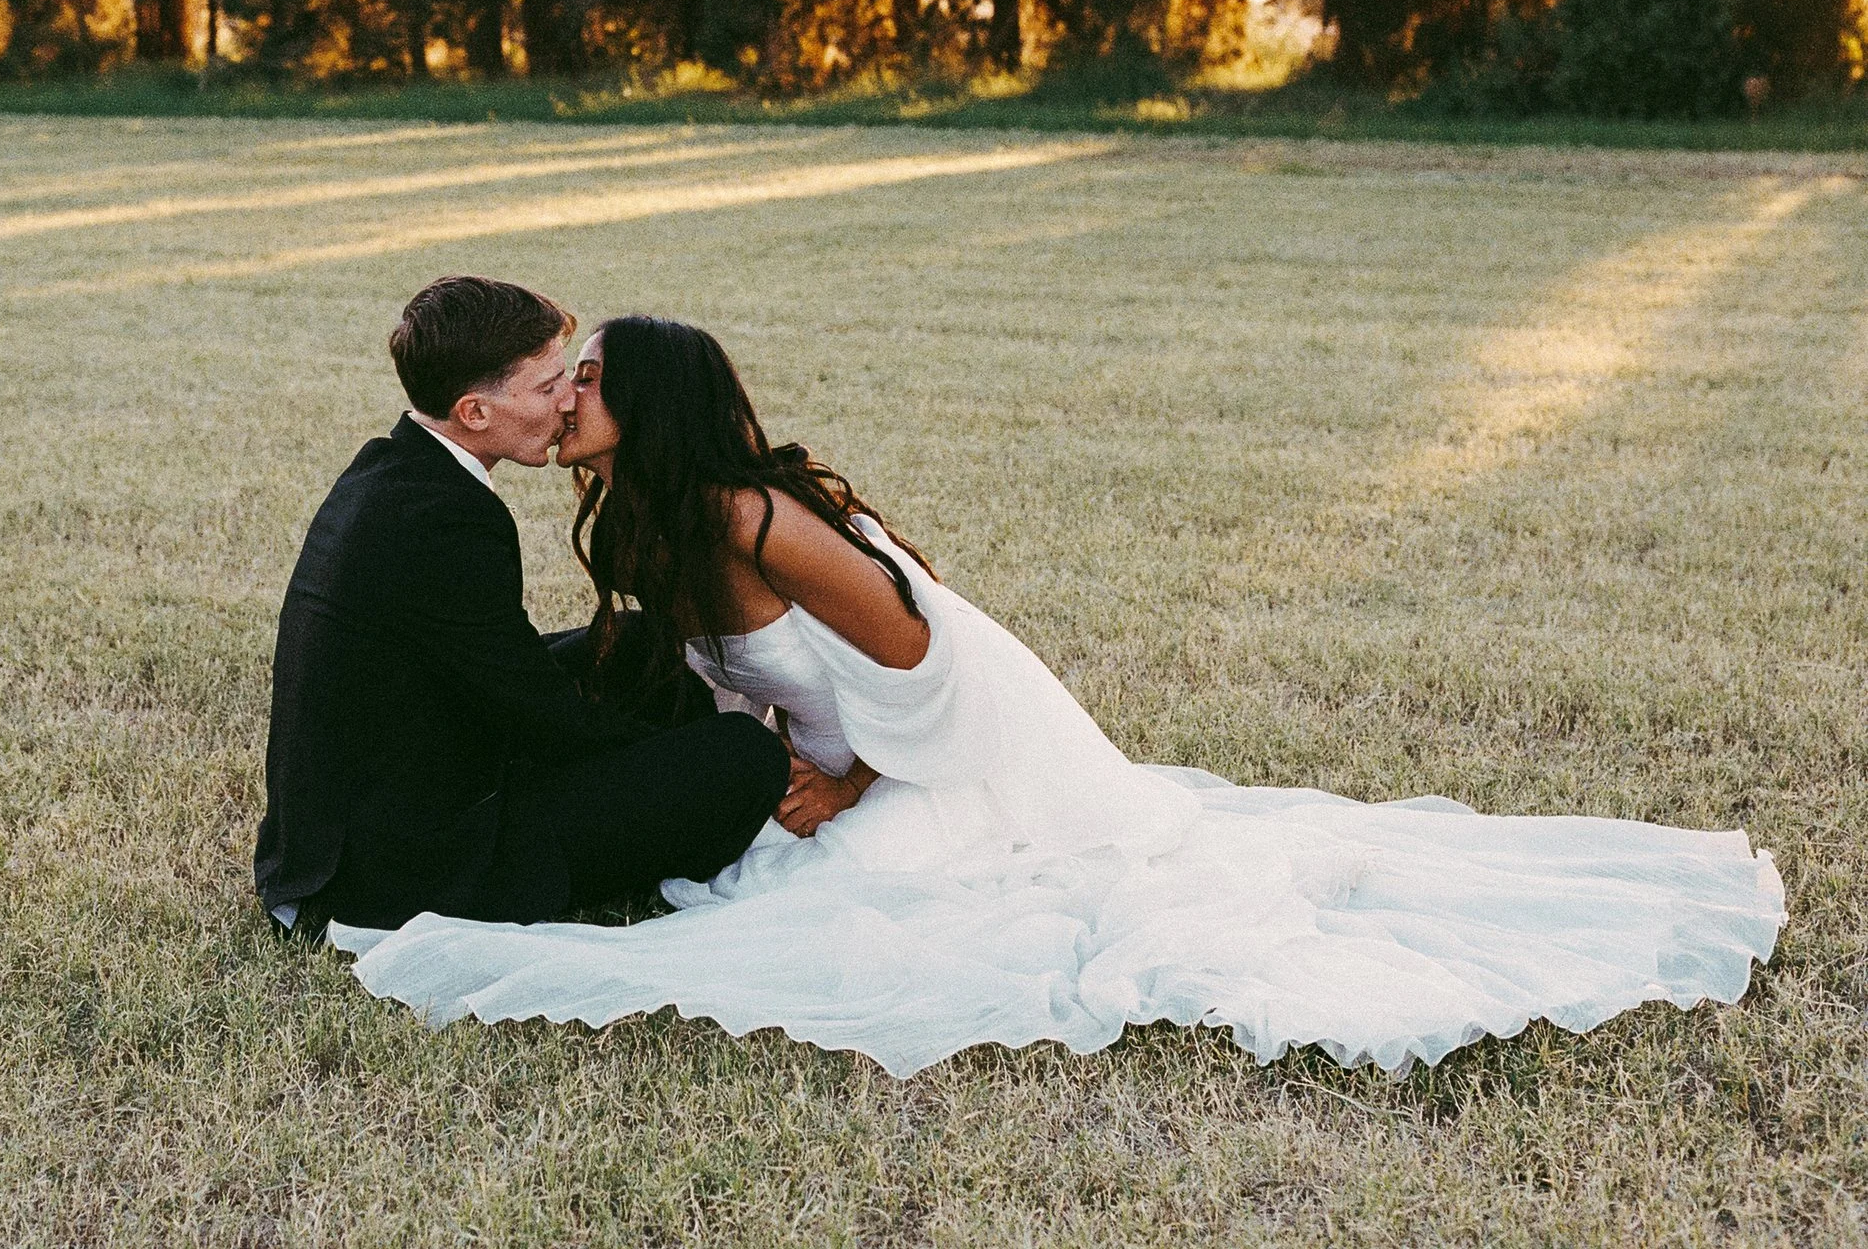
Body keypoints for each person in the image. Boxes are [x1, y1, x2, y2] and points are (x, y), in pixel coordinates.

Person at [329, 317, 1787, 1076]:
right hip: (840, 759)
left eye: (583, 380)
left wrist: (847, 787)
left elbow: (933, 671)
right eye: (552, 381)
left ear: (652, 404)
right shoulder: (647, 518)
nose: (560, 396)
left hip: (958, 764)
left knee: (859, 926)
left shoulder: (754, 521)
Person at [253, 280, 789, 937]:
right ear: (474, 412)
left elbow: (495, 672)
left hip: (390, 787)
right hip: (397, 867)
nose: (570, 402)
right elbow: (539, 714)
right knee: (743, 757)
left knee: (636, 642)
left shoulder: (393, 470)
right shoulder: (450, 519)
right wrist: (677, 755)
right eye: (547, 388)